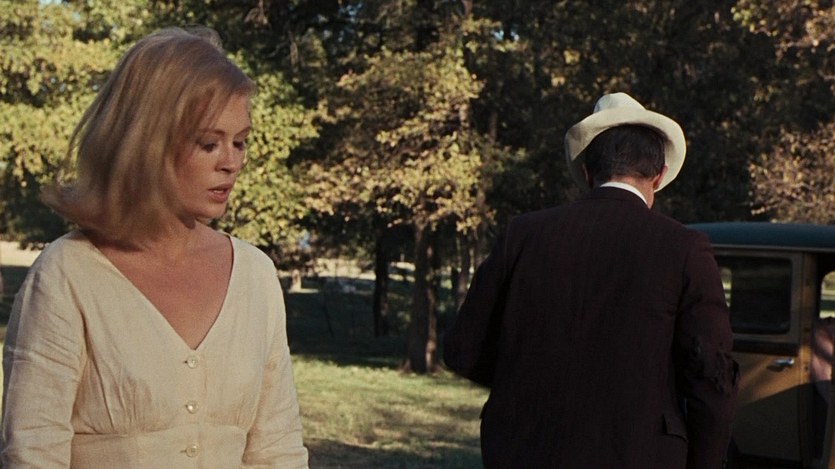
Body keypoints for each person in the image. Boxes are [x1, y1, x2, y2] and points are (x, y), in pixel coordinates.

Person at [1, 27, 309, 468]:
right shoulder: (67, 275)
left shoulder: (255, 276)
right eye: (209, 143)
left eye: (240, 142)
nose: (232, 162)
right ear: (147, 144)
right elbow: (32, 454)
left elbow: (277, 450)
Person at [443, 92, 738, 469]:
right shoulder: (685, 248)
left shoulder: (523, 234)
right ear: (659, 175)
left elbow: (463, 349)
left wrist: (522, 387)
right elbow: (711, 377)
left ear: (587, 173)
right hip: (638, 454)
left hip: (524, 451)